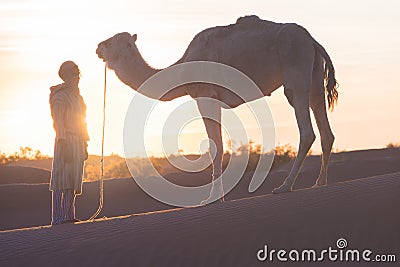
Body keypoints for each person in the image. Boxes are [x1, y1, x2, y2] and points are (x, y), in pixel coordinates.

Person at [49, 61, 89, 225]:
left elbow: (83, 121)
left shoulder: (77, 97)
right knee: (61, 178)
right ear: (65, 75)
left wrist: (85, 143)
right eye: (73, 73)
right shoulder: (60, 95)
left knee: (73, 178)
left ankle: (69, 216)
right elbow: (58, 121)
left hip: (78, 141)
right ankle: (58, 218)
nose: (77, 76)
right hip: (65, 140)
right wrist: (63, 141)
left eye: (77, 73)